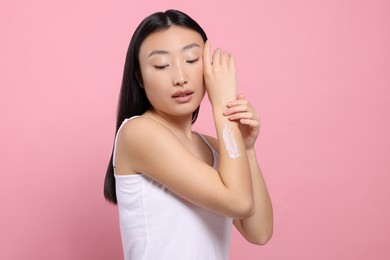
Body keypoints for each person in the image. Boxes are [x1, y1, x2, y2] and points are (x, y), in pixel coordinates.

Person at [104, 9, 273, 260]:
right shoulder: (138, 133)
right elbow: (239, 202)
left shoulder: (214, 147)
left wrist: (246, 150)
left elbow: (259, 232)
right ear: (139, 77)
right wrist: (222, 106)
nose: (181, 78)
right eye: (161, 65)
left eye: (192, 60)